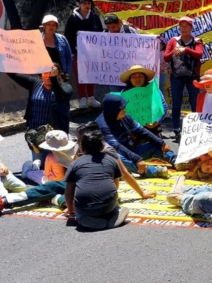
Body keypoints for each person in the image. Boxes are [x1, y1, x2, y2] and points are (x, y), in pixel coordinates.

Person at [0, 123, 156, 213]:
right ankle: (7, 201)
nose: (77, 142)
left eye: (80, 139)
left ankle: (54, 199)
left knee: (55, 191)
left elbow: (124, 174)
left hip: (91, 187)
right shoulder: (81, 150)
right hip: (82, 183)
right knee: (51, 186)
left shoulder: (107, 151)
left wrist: (141, 193)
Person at [64, 130, 129, 230]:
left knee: (80, 212)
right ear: (103, 147)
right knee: (116, 207)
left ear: (81, 148)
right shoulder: (111, 160)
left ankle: (84, 219)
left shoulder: (75, 164)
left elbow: (69, 192)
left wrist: (71, 211)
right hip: (109, 206)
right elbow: (115, 185)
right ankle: (114, 216)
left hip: (85, 208)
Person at [96, 94, 175, 175]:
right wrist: (137, 159)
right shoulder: (102, 125)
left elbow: (142, 131)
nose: (125, 110)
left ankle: (175, 160)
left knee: (156, 145)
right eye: (122, 109)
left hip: (131, 149)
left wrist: (161, 144)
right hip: (117, 155)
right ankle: (152, 171)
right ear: (113, 111)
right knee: (116, 158)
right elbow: (116, 147)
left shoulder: (125, 117)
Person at [164, 16, 203, 141]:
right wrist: (174, 51)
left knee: (194, 102)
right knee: (176, 103)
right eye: (182, 26)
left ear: (191, 28)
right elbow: (166, 57)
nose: (184, 29)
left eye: (187, 26)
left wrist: (185, 49)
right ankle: (176, 129)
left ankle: (196, 128)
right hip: (176, 76)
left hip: (193, 76)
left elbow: (199, 54)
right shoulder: (173, 40)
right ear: (179, 28)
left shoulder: (197, 41)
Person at [64, 0, 104, 108]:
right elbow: (68, 36)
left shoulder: (95, 17)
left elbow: (100, 34)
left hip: (93, 53)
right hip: (78, 53)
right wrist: (73, 49)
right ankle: (82, 97)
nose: (87, 5)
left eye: (89, 3)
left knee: (92, 74)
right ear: (79, 4)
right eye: (84, 3)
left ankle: (91, 97)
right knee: (80, 75)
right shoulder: (72, 18)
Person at [8, 65, 73, 135]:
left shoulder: (66, 87)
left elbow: (60, 96)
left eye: (51, 73)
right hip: (34, 132)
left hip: (55, 134)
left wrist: (53, 78)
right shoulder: (36, 84)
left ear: (59, 75)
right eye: (45, 73)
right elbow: (15, 75)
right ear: (41, 75)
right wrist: (3, 63)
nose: (48, 76)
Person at [119, 64, 168, 134]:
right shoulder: (124, 93)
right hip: (132, 131)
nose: (137, 79)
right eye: (134, 76)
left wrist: (157, 121)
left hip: (152, 128)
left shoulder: (153, 90)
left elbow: (164, 106)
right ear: (129, 79)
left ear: (145, 78)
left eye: (140, 76)